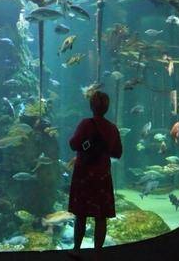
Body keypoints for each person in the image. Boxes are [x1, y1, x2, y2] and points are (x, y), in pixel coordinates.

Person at [67, 91, 122, 260]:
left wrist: (87, 147)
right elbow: (117, 152)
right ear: (107, 107)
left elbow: (73, 144)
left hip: (84, 174)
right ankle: (98, 253)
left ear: (91, 106)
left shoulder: (86, 124)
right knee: (101, 216)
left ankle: (77, 249)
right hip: (102, 176)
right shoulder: (112, 128)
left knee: (81, 214)